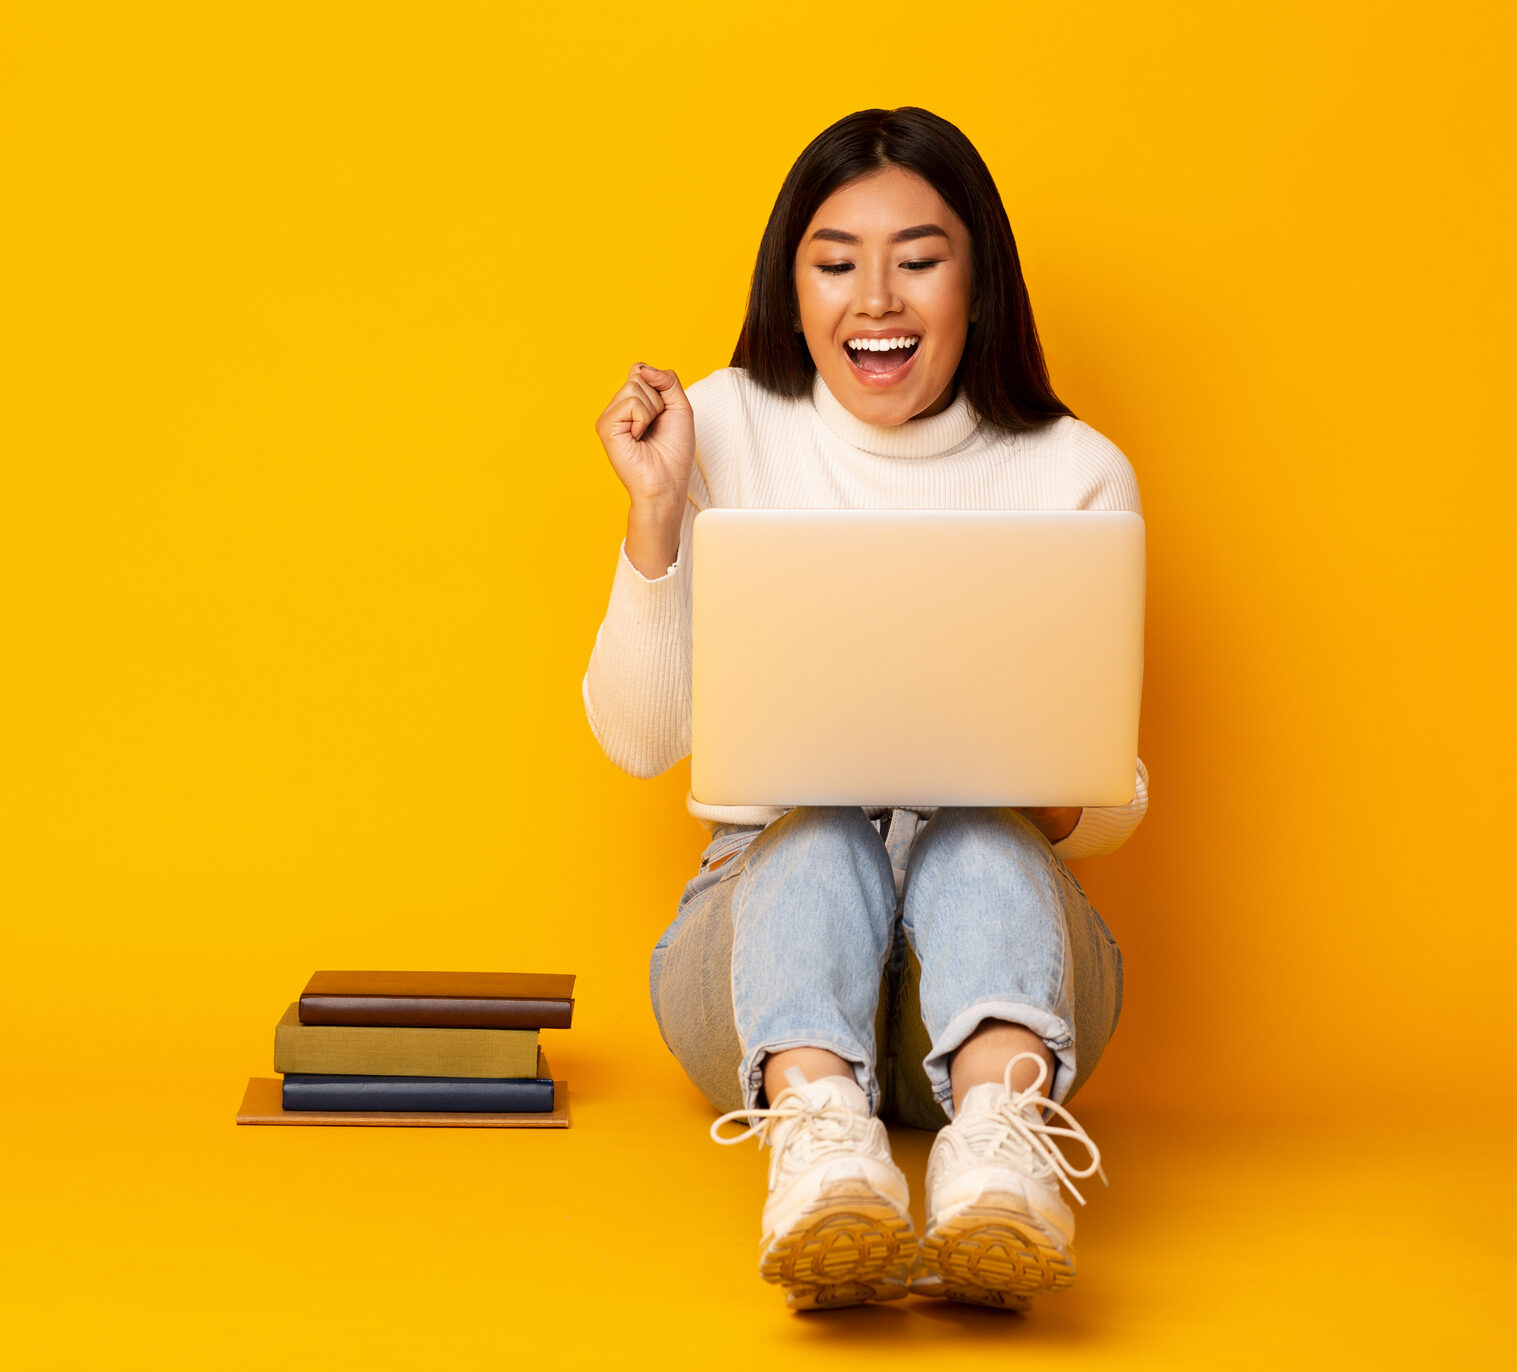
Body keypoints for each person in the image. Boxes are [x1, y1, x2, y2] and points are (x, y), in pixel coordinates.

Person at [582, 107, 1147, 1313]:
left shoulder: (1075, 471)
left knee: (981, 836)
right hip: (762, 962)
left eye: (920, 260)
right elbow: (638, 738)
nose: (875, 299)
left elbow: (1109, 805)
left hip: (1004, 970)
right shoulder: (724, 425)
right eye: (835, 263)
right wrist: (655, 511)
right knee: (820, 825)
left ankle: (999, 1154)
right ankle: (819, 1145)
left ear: (979, 288)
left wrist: (1022, 772)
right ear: (792, 293)